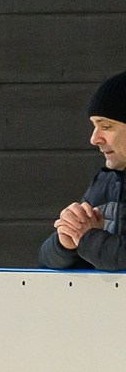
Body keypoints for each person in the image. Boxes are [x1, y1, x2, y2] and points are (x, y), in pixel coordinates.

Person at [41, 71, 126, 272]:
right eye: (94, 126)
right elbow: (46, 261)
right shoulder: (105, 183)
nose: (94, 139)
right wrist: (65, 244)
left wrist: (87, 238)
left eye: (106, 126)